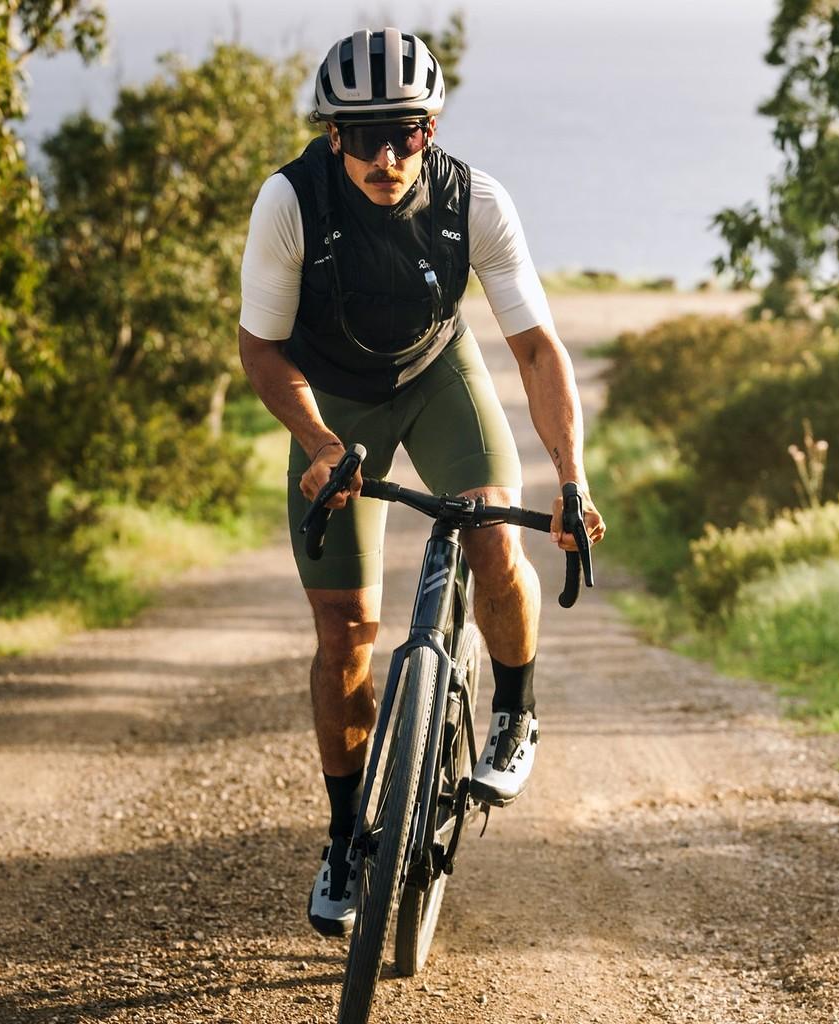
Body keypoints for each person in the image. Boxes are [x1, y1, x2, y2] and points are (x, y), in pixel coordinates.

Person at [237, 27, 605, 938]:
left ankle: (516, 712)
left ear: (429, 130)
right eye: (362, 135)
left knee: (493, 533)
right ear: (333, 136)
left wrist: (570, 477)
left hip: (440, 379)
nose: (384, 156)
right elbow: (261, 346)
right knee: (346, 631)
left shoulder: (476, 199)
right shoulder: (288, 202)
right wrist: (318, 442)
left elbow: (532, 347)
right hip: (334, 410)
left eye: (405, 132)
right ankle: (342, 839)